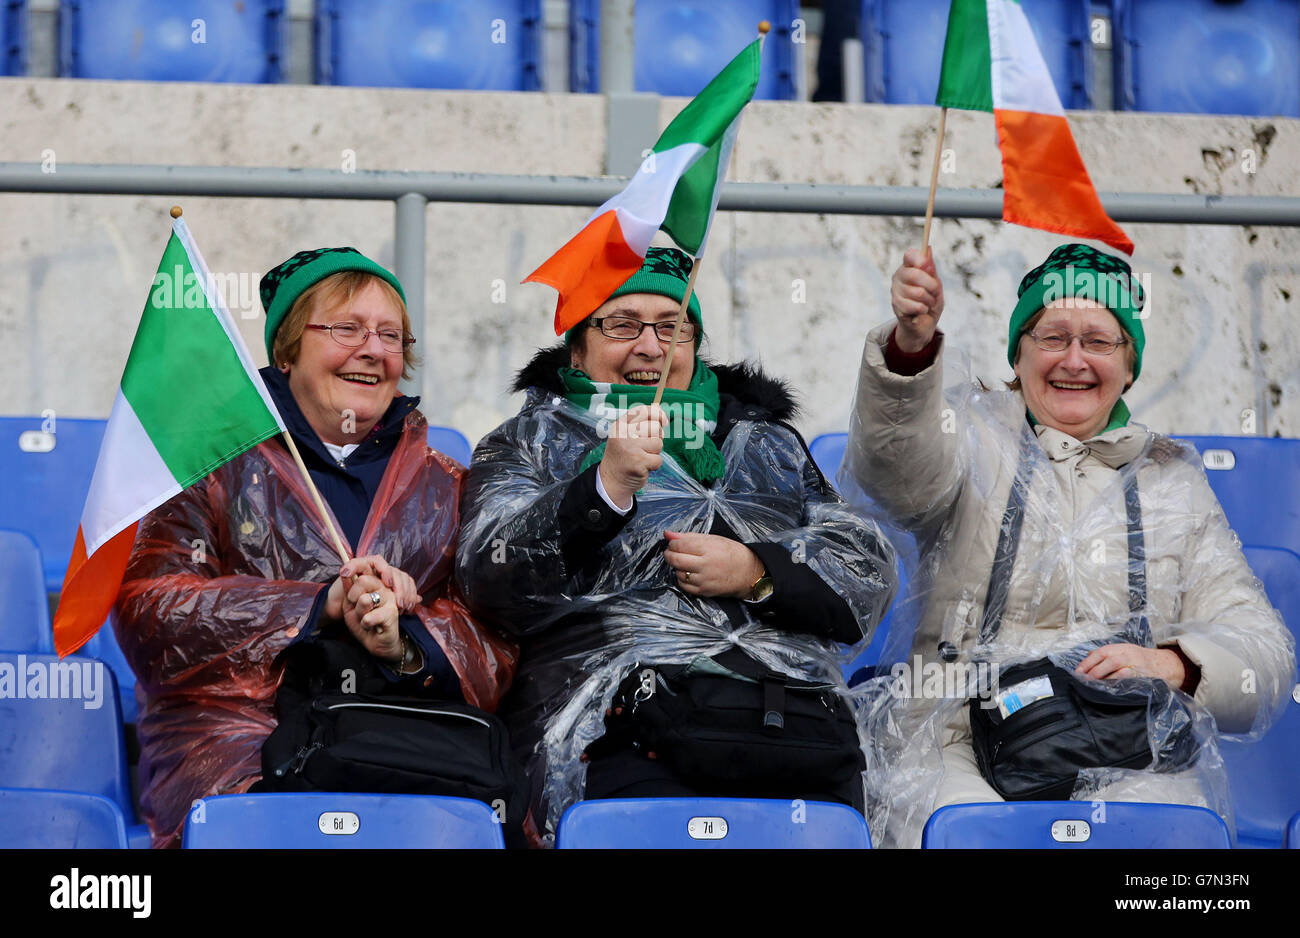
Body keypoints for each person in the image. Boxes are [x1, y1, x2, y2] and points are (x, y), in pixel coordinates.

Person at [840, 243, 1296, 847]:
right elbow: (892, 473)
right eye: (1052, 337)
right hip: (956, 736)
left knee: (1166, 841)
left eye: (1099, 342)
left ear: (1129, 364)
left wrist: (1178, 664)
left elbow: (1263, 651)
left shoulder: (1172, 481)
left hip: (1125, 739)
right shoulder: (971, 437)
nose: (1074, 360)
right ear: (1020, 354)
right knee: (965, 834)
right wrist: (910, 353)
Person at [456, 247, 897, 839]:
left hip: (788, 726)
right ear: (577, 348)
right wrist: (601, 488)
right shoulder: (530, 441)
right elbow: (490, 578)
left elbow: (862, 575)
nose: (651, 347)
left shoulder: (766, 442)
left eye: (673, 328)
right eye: (621, 325)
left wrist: (757, 573)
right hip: (616, 727)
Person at [113, 247, 517, 847]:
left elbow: (498, 638)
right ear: (287, 349)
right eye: (346, 329)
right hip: (241, 740)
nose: (374, 350)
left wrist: (402, 642)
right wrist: (321, 604)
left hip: (402, 739)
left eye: (391, 335)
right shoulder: (211, 468)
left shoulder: (449, 485)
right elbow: (151, 612)